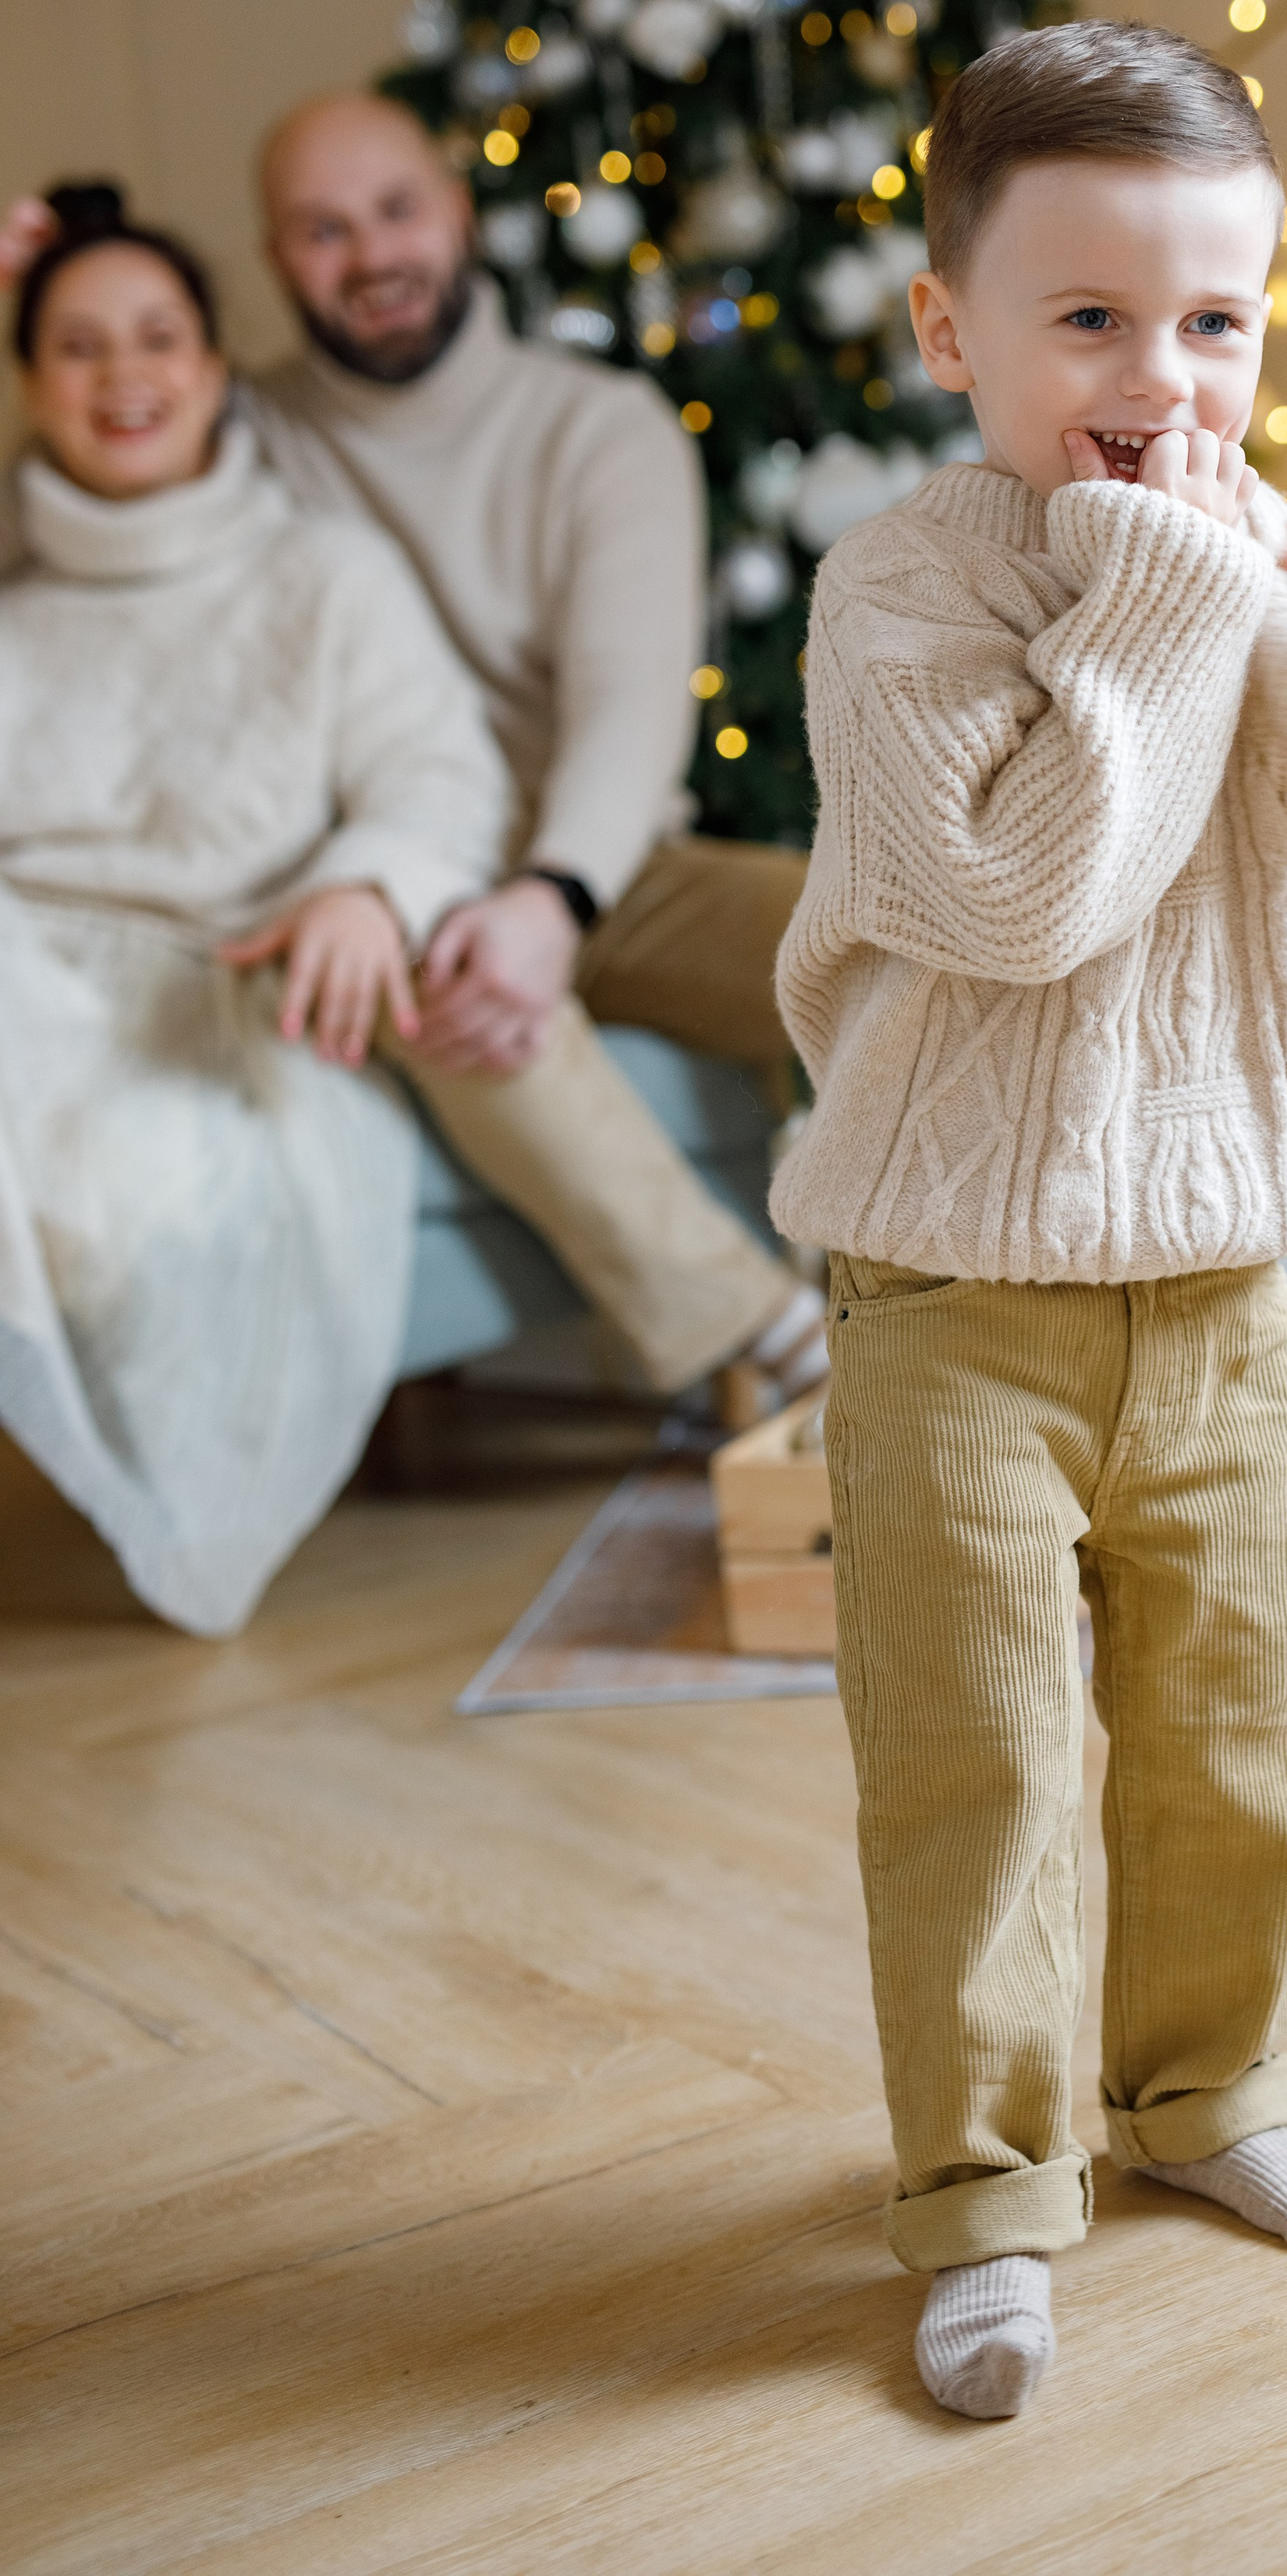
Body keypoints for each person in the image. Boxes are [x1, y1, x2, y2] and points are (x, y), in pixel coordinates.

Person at [768, 23, 1287, 2418]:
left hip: (1215, 1280)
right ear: (949, 326)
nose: (1156, 375)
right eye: (1086, 320)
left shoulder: (1232, 535)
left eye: (1212, 323)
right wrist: (1185, 590)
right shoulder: (902, 589)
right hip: (949, 1291)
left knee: (1250, 1710)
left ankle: (1207, 2099)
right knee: (971, 1758)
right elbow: (1012, 887)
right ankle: (983, 2197)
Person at [1, 103, 824, 1412]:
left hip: (595, 864)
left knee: (872, 937)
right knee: (436, 964)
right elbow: (83, 482)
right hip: (382, 867)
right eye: (323, 231)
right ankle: (775, 1351)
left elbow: (626, 713)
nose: (369, 255)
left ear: (455, 211)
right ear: (277, 260)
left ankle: (1033, 1284)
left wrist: (552, 900)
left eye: (395, 211)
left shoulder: (598, 428)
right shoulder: (239, 421)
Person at [0, 184, 509, 1631]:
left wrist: (366, 885)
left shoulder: (323, 574)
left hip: (219, 988)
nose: (123, 377)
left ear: (216, 369)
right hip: (23, 976)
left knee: (131, 1162)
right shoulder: (13, 616)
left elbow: (437, 778)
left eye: (157, 337)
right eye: (79, 347)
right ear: (34, 384)